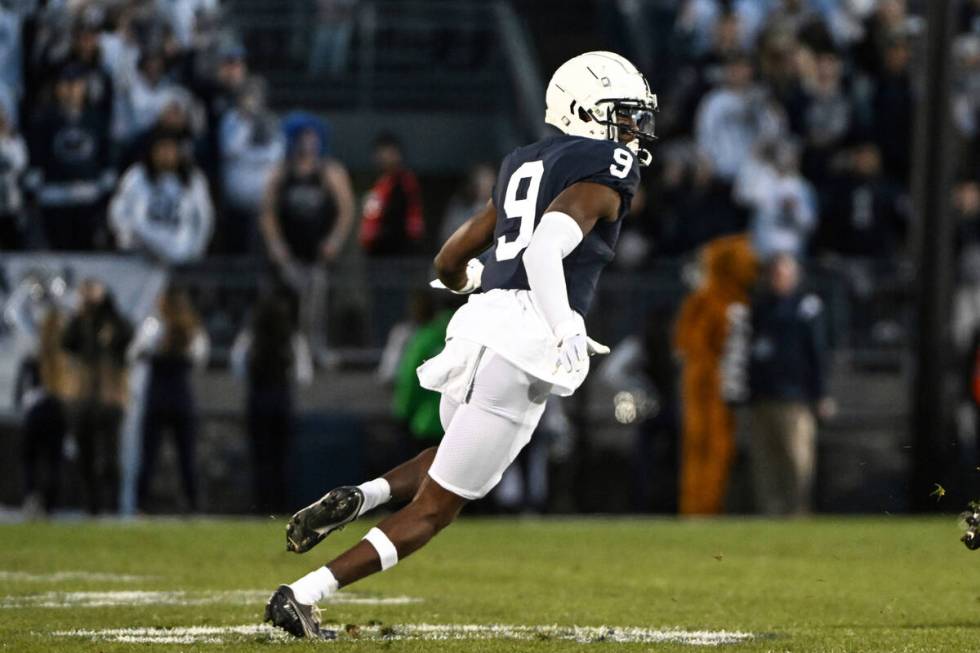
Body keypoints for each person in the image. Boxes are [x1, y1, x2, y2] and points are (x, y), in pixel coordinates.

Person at [264, 51, 655, 638]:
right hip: (525, 335)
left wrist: (476, 283)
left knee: (453, 458)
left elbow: (448, 259)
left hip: (476, 328)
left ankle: (363, 493)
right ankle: (303, 593)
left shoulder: (524, 161)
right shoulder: (605, 164)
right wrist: (566, 326)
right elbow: (544, 251)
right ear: (584, 111)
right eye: (622, 115)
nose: (632, 130)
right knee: (434, 511)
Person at [674, 234, 758, 515]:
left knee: (716, 447)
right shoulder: (709, 300)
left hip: (724, 384)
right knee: (705, 445)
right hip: (708, 386)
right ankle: (699, 505)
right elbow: (688, 343)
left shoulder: (735, 299)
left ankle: (708, 503)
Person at [746, 253, 832, 515]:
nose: (778, 279)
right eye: (775, 274)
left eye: (783, 274)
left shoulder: (806, 307)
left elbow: (817, 353)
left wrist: (820, 394)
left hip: (794, 397)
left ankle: (797, 511)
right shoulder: (760, 307)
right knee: (764, 460)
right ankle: (770, 511)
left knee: (797, 459)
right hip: (763, 395)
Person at [231, 291, 313, 515]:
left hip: (258, 399)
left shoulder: (250, 338)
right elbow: (304, 376)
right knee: (282, 458)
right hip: (281, 400)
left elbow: (237, 368)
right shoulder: (293, 339)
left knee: (260, 457)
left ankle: (262, 505)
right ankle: (281, 506)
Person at [130, 287, 209, 513]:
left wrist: (156, 352)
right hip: (181, 396)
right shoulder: (193, 330)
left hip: (159, 396)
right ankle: (193, 504)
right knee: (186, 456)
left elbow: (135, 352)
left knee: (150, 455)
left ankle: (141, 505)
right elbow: (200, 358)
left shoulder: (153, 327)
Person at [62, 279, 132, 514]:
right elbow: (66, 342)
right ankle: (92, 507)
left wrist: (106, 304)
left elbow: (126, 334)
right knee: (86, 455)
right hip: (84, 397)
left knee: (110, 458)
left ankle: (113, 507)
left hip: (110, 397)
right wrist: (80, 312)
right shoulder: (80, 323)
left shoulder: (114, 323)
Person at [26, 62, 114, 251]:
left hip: (88, 195)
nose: (71, 90)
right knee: (59, 248)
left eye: (76, 85)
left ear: (84, 88)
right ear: (58, 88)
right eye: (66, 85)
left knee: (86, 248)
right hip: (55, 195)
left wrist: (107, 177)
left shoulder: (95, 118)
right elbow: (37, 151)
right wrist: (35, 179)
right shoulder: (44, 118)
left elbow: (104, 150)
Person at [108, 130, 214, 264]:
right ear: (152, 152)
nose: (166, 155)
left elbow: (204, 216)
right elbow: (118, 209)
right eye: (161, 149)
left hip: (179, 255)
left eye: (171, 150)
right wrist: (127, 235)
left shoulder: (194, 179)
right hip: (140, 255)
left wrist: (197, 249)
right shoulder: (136, 176)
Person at [358, 133, 424, 257]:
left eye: (387, 153)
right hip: (375, 253)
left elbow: (411, 222)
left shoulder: (405, 181)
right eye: (379, 153)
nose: (382, 158)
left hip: (396, 254)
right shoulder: (377, 182)